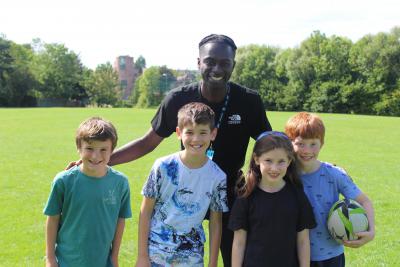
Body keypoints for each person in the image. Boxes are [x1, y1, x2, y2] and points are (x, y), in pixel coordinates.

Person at [135, 102, 228, 267]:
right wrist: (142, 256)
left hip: (191, 258)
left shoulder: (218, 176)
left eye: (203, 132)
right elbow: (145, 212)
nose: (196, 139)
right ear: (178, 133)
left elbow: (215, 222)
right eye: (190, 132)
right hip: (155, 255)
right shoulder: (162, 166)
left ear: (213, 134)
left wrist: (212, 263)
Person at [284, 112, 375, 267]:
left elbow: (364, 201)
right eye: (300, 144)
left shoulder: (335, 174)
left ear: (322, 143)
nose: (307, 150)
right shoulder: (284, 175)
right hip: (294, 254)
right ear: (289, 143)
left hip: (331, 256)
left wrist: (370, 231)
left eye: (313, 144)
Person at [44, 117, 132, 267]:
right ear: (79, 148)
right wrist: (50, 259)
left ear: (112, 150)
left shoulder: (120, 183)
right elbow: (52, 219)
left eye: (103, 149)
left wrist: (114, 257)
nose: (95, 156)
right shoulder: (63, 181)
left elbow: (120, 221)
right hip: (67, 261)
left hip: (103, 262)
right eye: (89, 149)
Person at [229, 131, 316, 267]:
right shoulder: (246, 197)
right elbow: (239, 242)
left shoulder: (297, 196)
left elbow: (303, 240)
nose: (274, 168)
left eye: (281, 161)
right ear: (257, 159)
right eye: (268, 161)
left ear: (289, 161)